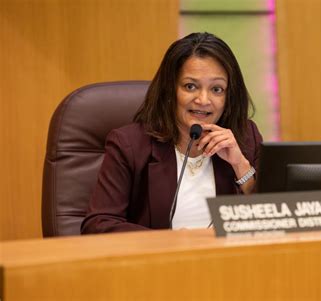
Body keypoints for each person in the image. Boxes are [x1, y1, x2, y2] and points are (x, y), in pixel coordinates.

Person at [81, 32, 263, 234]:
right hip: (159, 262)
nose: (203, 100)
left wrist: (241, 165)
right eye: (190, 86)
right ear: (170, 90)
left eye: (217, 89)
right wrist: (167, 241)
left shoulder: (245, 137)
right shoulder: (130, 145)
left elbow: (278, 220)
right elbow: (98, 224)